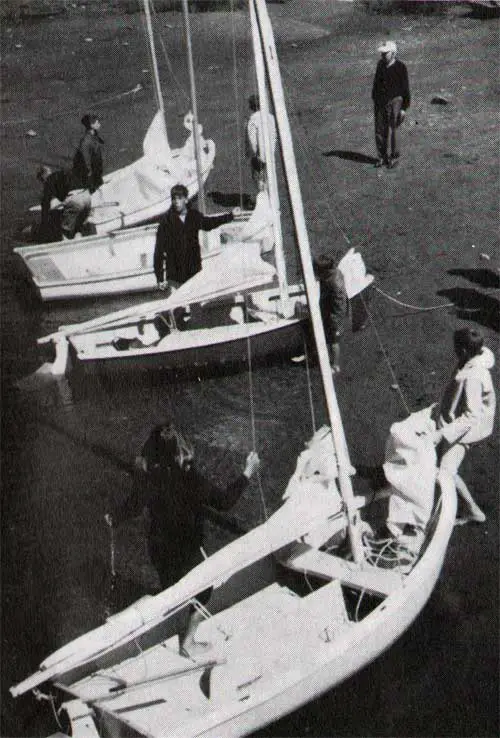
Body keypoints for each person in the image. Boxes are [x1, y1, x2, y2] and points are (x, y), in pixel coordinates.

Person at [105, 423, 260, 657]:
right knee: (204, 591)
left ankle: (164, 621)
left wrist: (113, 517)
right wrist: (247, 472)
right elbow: (225, 501)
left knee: (172, 589)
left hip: (158, 548)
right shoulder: (191, 479)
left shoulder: (149, 477)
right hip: (186, 549)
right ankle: (187, 643)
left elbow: (134, 506)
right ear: (179, 450)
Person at [432, 327, 496, 525]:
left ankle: (472, 511)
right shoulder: (475, 358)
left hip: (468, 429)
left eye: (456, 348)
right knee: (440, 461)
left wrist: (443, 434)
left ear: (464, 351)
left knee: (445, 472)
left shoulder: (473, 377)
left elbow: (471, 416)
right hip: (459, 419)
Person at [154, 183, 239, 293]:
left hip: (193, 270)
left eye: (179, 198)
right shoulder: (166, 221)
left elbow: (209, 223)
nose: (176, 202)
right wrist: (160, 278)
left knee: (196, 306)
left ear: (186, 199)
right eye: (173, 199)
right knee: (177, 308)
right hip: (175, 275)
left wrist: (231, 216)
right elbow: (159, 251)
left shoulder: (193, 216)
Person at [371, 40, 410, 169]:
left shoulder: (401, 67)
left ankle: (394, 157)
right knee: (379, 130)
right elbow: (376, 83)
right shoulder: (380, 65)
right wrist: (375, 98)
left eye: (385, 53)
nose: (382, 56)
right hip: (380, 102)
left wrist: (404, 108)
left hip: (395, 101)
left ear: (393, 53)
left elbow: (405, 89)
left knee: (394, 130)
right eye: (382, 53)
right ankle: (381, 157)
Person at [36, 164, 91, 242]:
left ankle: (65, 242)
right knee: (78, 223)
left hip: (75, 200)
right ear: (49, 171)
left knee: (63, 229)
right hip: (86, 196)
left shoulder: (48, 181)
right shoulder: (64, 173)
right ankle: (79, 238)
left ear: (43, 177)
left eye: (41, 180)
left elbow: (45, 203)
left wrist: (44, 222)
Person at [245, 93, 277, 191]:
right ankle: (269, 194)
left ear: (251, 106)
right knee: (269, 175)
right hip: (270, 150)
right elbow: (274, 134)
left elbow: (252, 139)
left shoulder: (252, 120)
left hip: (259, 154)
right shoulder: (270, 117)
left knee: (259, 176)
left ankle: (263, 195)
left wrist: (255, 154)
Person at [72, 113, 104, 194]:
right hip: (91, 175)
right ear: (92, 125)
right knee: (94, 192)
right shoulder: (86, 141)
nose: (99, 124)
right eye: (97, 123)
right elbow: (86, 160)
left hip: (96, 170)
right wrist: (90, 175)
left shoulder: (94, 135)